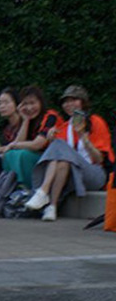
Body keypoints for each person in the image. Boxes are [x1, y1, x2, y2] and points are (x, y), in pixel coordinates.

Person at [25, 85, 114, 221]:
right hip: (72, 173)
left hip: (95, 174)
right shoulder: (64, 127)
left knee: (59, 146)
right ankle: (52, 207)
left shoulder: (95, 122)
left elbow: (99, 158)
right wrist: (51, 138)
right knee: (63, 162)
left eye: (74, 100)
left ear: (83, 102)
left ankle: (43, 191)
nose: (69, 104)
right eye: (66, 101)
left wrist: (84, 137)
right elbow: (55, 156)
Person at [1, 85, 62, 189]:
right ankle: (15, 189)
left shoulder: (50, 116)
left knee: (23, 155)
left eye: (33, 103)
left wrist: (12, 144)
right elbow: (19, 142)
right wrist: (25, 120)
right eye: (25, 104)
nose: (29, 108)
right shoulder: (29, 120)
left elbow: (38, 144)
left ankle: (29, 189)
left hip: (53, 160)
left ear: (41, 103)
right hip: (39, 158)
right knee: (9, 155)